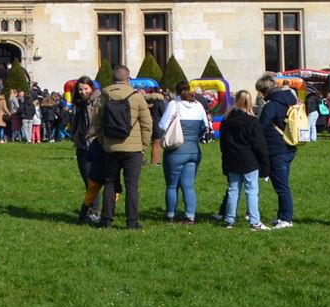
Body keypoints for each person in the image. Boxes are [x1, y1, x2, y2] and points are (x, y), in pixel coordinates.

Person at [96, 66, 151, 230]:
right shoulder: (137, 97)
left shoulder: (104, 96)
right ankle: (132, 222)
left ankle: (106, 220)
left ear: (113, 79)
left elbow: (97, 123)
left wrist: (103, 142)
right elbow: (147, 124)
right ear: (128, 79)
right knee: (132, 186)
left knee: (110, 183)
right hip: (133, 149)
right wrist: (143, 146)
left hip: (111, 147)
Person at [218, 90, 272, 230]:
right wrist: (266, 167)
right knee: (251, 191)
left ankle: (229, 219)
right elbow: (260, 146)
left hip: (232, 159)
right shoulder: (252, 122)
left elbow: (223, 144)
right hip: (249, 161)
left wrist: (225, 161)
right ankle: (254, 221)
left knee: (233, 190)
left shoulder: (226, 120)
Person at [157, 81, 208, 225]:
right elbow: (206, 126)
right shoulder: (198, 106)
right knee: (189, 185)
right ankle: (190, 216)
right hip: (194, 150)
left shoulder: (174, 105)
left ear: (177, 92)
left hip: (176, 150)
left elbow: (162, 125)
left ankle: (170, 216)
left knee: (172, 185)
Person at [256, 74, 301, 229]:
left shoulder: (272, 105)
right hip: (290, 145)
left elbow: (261, 127)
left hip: (276, 148)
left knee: (281, 186)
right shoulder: (291, 99)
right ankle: (282, 215)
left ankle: (286, 218)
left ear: (264, 91)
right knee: (283, 183)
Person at [70, 78, 104, 223]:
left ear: (91, 88)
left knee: (93, 181)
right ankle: (91, 210)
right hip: (82, 145)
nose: (83, 92)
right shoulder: (80, 104)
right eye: (80, 89)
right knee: (87, 180)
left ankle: (94, 212)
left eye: (85, 89)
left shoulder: (98, 102)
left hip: (94, 144)